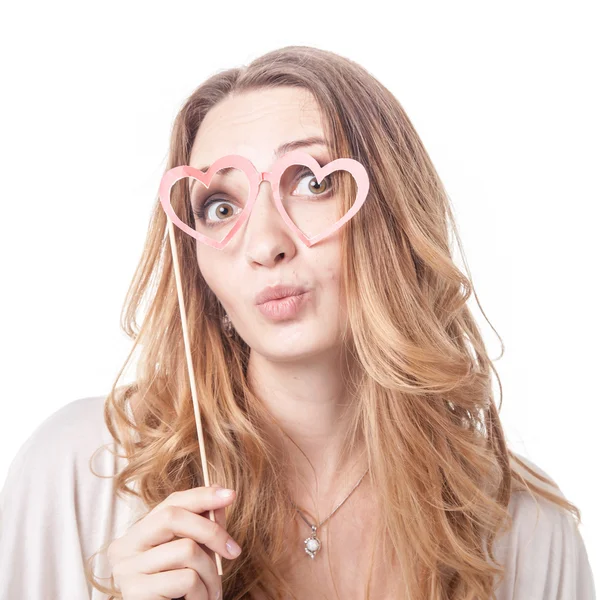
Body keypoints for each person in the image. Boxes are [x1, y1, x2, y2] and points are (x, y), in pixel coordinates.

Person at [0, 45, 596, 600]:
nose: (264, 244)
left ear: (392, 215)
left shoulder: (524, 530)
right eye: (220, 206)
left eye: (312, 184)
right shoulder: (84, 473)